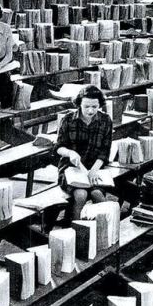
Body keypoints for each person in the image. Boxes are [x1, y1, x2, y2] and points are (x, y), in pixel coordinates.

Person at [55, 86, 113, 220]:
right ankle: (75, 229)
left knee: (97, 194)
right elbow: (58, 147)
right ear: (79, 103)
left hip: (95, 167)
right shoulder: (68, 120)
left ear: (100, 104)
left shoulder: (105, 121)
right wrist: (70, 153)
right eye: (86, 106)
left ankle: (104, 229)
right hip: (70, 168)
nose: (91, 110)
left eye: (95, 106)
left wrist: (93, 170)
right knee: (80, 195)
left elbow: (105, 151)